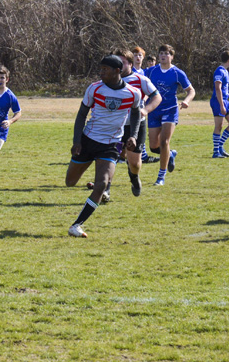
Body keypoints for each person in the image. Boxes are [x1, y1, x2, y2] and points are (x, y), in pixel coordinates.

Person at [66, 55, 142, 238]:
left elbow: (136, 114)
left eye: (104, 70)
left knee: (102, 184)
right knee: (70, 182)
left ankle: (76, 225)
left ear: (117, 71)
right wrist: (77, 141)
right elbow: (81, 114)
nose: (101, 73)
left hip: (112, 144)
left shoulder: (133, 93)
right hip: (88, 141)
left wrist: (133, 136)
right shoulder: (94, 88)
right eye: (100, 69)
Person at [112, 49, 162, 198]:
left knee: (134, 163)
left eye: (123, 62)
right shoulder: (109, 80)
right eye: (117, 62)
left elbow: (157, 97)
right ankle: (105, 189)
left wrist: (146, 110)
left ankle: (134, 177)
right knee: (110, 157)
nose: (119, 66)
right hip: (114, 125)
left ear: (130, 64)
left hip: (136, 125)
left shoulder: (140, 80)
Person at [146, 44, 195, 186]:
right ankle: (171, 154)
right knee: (153, 146)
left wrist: (186, 101)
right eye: (161, 53)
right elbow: (139, 82)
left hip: (170, 110)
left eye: (166, 53)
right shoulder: (151, 71)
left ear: (172, 56)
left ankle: (161, 177)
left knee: (164, 142)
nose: (163, 56)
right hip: (154, 110)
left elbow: (191, 90)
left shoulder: (177, 73)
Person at [131, 46, 159, 164]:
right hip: (129, 105)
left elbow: (148, 90)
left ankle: (143, 155)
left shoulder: (143, 72)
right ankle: (120, 155)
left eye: (140, 55)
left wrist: (144, 99)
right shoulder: (130, 71)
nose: (138, 57)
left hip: (141, 105)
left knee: (140, 130)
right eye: (135, 55)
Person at [210, 50, 229, 158]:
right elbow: (218, 88)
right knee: (219, 126)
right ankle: (216, 152)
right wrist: (221, 105)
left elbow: (223, 89)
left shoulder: (225, 71)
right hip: (218, 101)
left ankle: (220, 146)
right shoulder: (219, 71)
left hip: (225, 101)